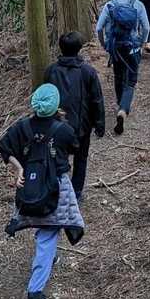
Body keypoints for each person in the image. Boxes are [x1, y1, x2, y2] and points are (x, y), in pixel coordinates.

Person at [0, 84, 85, 299]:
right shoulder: (63, 130)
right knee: (48, 234)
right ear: (55, 105)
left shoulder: (22, 127)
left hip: (30, 189)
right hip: (55, 190)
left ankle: (50, 258)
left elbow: (4, 146)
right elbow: (75, 146)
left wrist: (19, 169)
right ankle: (35, 292)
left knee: (44, 226)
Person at [43, 31, 106, 198]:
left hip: (55, 125)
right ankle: (76, 192)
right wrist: (99, 124)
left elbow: (44, 97)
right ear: (79, 48)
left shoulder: (50, 71)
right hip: (81, 127)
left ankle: (58, 190)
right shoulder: (88, 71)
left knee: (56, 157)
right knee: (81, 158)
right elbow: (97, 100)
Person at [94, 0, 149, 136]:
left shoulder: (109, 5)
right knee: (130, 81)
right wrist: (142, 43)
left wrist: (104, 44)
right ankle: (123, 110)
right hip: (132, 48)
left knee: (118, 76)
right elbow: (146, 27)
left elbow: (99, 28)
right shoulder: (137, 5)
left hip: (116, 48)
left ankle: (120, 103)